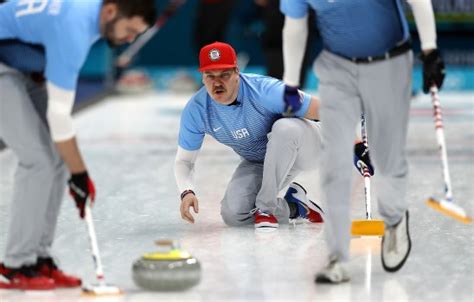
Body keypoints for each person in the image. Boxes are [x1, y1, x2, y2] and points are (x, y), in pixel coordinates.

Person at [280, 0, 445, 283]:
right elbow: (295, 24)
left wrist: (429, 49)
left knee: (386, 156)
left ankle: (394, 218)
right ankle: (337, 257)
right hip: (337, 66)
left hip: (390, 62)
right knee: (334, 162)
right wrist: (291, 83)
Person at [0, 0, 156, 290]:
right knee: (38, 160)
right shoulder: (73, 28)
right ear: (111, 11)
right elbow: (60, 119)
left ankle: (38, 258)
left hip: (23, 65)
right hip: (5, 66)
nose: (130, 39)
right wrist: (80, 175)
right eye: (130, 30)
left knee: (57, 160)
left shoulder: (90, 15)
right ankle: (15, 265)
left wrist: (74, 171)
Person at [175, 41, 371, 230]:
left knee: (284, 128)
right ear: (202, 77)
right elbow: (184, 161)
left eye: (224, 74)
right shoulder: (197, 110)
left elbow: (322, 110)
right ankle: (295, 207)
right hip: (261, 161)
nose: (217, 82)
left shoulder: (265, 90)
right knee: (234, 214)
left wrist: (354, 145)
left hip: (305, 145)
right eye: (210, 75)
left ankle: (266, 209)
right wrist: (187, 191)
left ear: (237, 72)